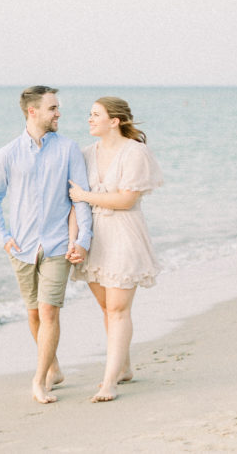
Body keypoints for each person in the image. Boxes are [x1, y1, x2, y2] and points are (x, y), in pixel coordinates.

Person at [0, 86, 93, 404]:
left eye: (57, 108)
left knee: (49, 311)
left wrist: (83, 240)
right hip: (21, 248)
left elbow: (80, 197)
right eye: (53, 108)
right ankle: (53, 369)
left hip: (59, 245)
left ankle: (38, 380)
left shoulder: (69, 149)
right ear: (33, 112)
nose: (58, 113)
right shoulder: (6, 155)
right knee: (33, 314)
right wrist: (2, 236)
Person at [68, 96, 163, 403]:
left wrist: (85, 195)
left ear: (115, 121)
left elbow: (126, 200)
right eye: (89, 114)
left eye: (96, 114)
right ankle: (124, 367)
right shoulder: (85, 154)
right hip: (94, 237)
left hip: (123, 234)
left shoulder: (135, 152)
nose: (89, 119)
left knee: (119, 309)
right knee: (107, 308)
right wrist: (75, 240)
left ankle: (109, 381)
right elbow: (73, 202)